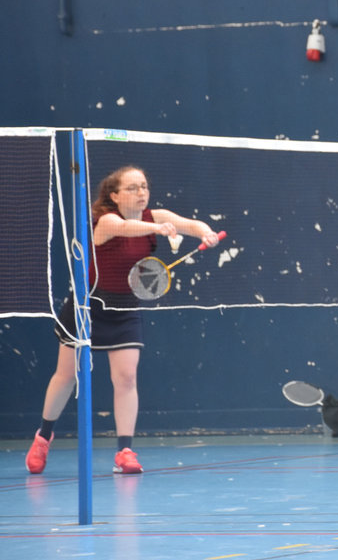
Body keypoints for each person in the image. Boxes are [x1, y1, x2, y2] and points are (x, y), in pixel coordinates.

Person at [25, 165, 221, 476]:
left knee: (127, 378)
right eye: (132, 188)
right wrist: (158, 229)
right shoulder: (106, 220)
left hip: (125, 307)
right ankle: (43, 437)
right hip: (87, 305)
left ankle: (125, 451)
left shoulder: (155, 216)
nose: (141, 192)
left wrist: (205, 232)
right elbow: (124, 228)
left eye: (144, 186)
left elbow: (190, 224)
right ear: (114, 195)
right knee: (67, 376)